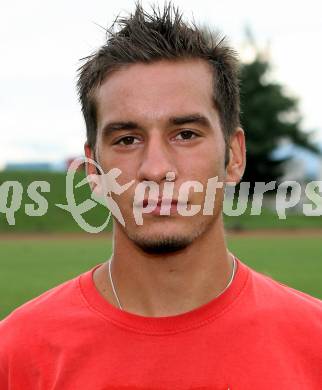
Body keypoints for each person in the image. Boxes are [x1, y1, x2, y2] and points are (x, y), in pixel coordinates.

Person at [1, 3, 321, 389]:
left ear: (234, 156)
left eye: (185, 134)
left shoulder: (313, 343)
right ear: (93, 171)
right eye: (127, 139)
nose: (155, 168)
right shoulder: (16, 353)